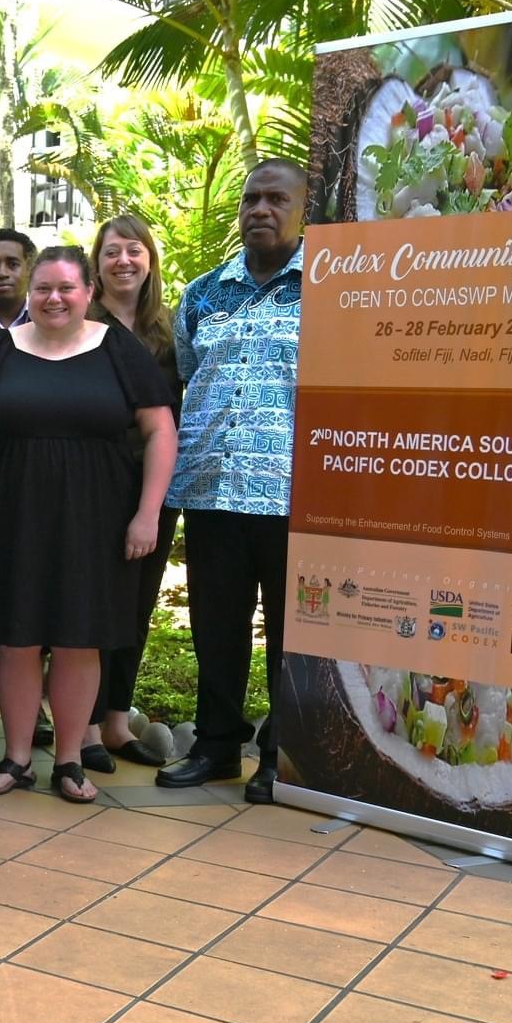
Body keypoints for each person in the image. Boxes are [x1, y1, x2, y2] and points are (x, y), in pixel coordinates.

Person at [0, 246, 176, 805]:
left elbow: (161, 430)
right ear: (29, 292)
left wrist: (148, 512)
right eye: (43, 288)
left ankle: (68, 761)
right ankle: (17, 758)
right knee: (15, 638)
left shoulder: (118, 349)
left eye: (66, 287)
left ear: (88, 291)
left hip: (95, 519)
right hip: (8, 516)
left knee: (78, 638)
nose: (54, 299)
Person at [155, 159, 308, 804]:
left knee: (289, 632)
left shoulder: (332, 291)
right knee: (215, 626)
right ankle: (217, 746)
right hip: (211, 490)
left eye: (277, 199)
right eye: (251, 200)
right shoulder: (203, 294)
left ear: (305, 212)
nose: (260, 210)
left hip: (294, 497)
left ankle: (279, 754)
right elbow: (189, 374)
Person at [79, 214, 181, 772]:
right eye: (112, 251)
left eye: (134, 251)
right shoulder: (79, 323)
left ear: (149, 261)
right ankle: (86, 725)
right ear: (96, 264)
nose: (123, 260)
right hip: (94, 489)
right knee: (94, 604)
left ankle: (117, 721)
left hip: (155, 493)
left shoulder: (168, 331)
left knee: (136, 606)